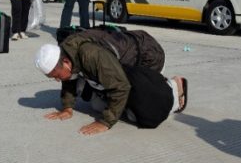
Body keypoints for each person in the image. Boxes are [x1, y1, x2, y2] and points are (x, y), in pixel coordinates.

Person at [34, 39, 187, 136]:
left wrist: (105, 123)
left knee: (144, 115)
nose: (56, 80)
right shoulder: (65, 54)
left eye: (56, 75)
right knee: (97, 105)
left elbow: (121, 86)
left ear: (66, 61)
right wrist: (68, 107)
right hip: (118, 69)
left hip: (149, 57)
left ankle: (173, 86)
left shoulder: (90, 55)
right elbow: (68, 76)